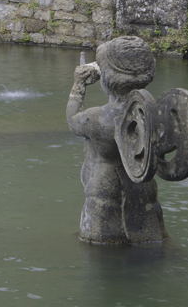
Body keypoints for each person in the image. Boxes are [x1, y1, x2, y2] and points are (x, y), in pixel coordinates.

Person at [66, 36, 166, 244]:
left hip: (104, 191)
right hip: (143, 188)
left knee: (99, 248)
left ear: (107, 78)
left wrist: (78, 85)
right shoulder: (153, 115)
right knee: (150, 243)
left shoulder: (96, 118)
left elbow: (72, 121)